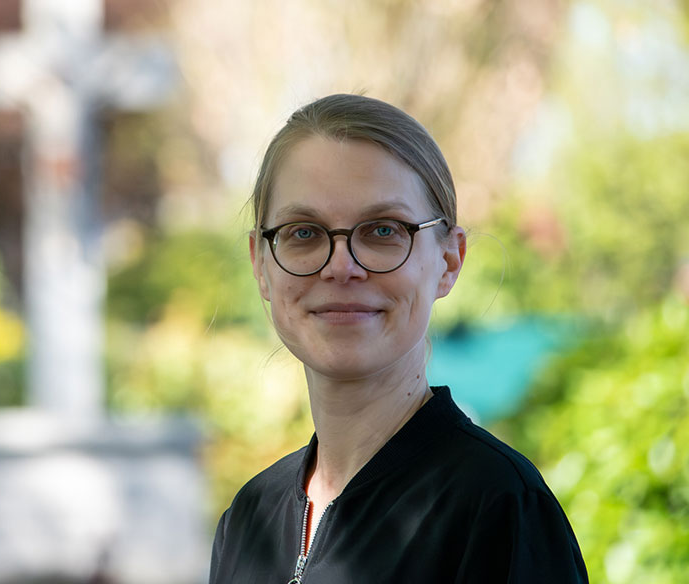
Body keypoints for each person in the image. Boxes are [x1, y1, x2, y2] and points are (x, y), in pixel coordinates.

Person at [208, 94, 589, 583]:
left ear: (448, 261)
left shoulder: (498, 507)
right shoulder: (247, 519)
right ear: (261, 264)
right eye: (303, 233)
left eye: (383, 230)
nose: (340, 265)